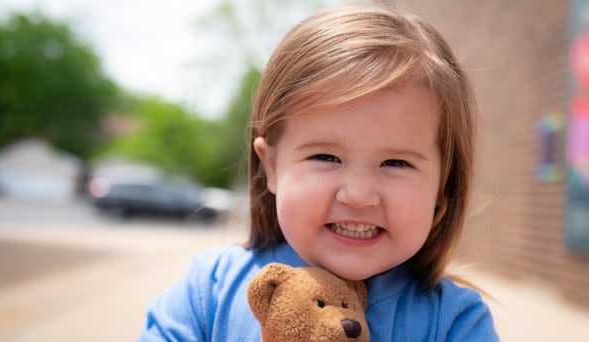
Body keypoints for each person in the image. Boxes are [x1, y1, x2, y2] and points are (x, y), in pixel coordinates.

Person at [137, 2, 498, 341]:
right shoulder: (209, 290)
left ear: (442, 187)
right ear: (271, 166)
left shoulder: (455, 322)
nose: (357, 194)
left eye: (396, 163)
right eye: (326, 157)